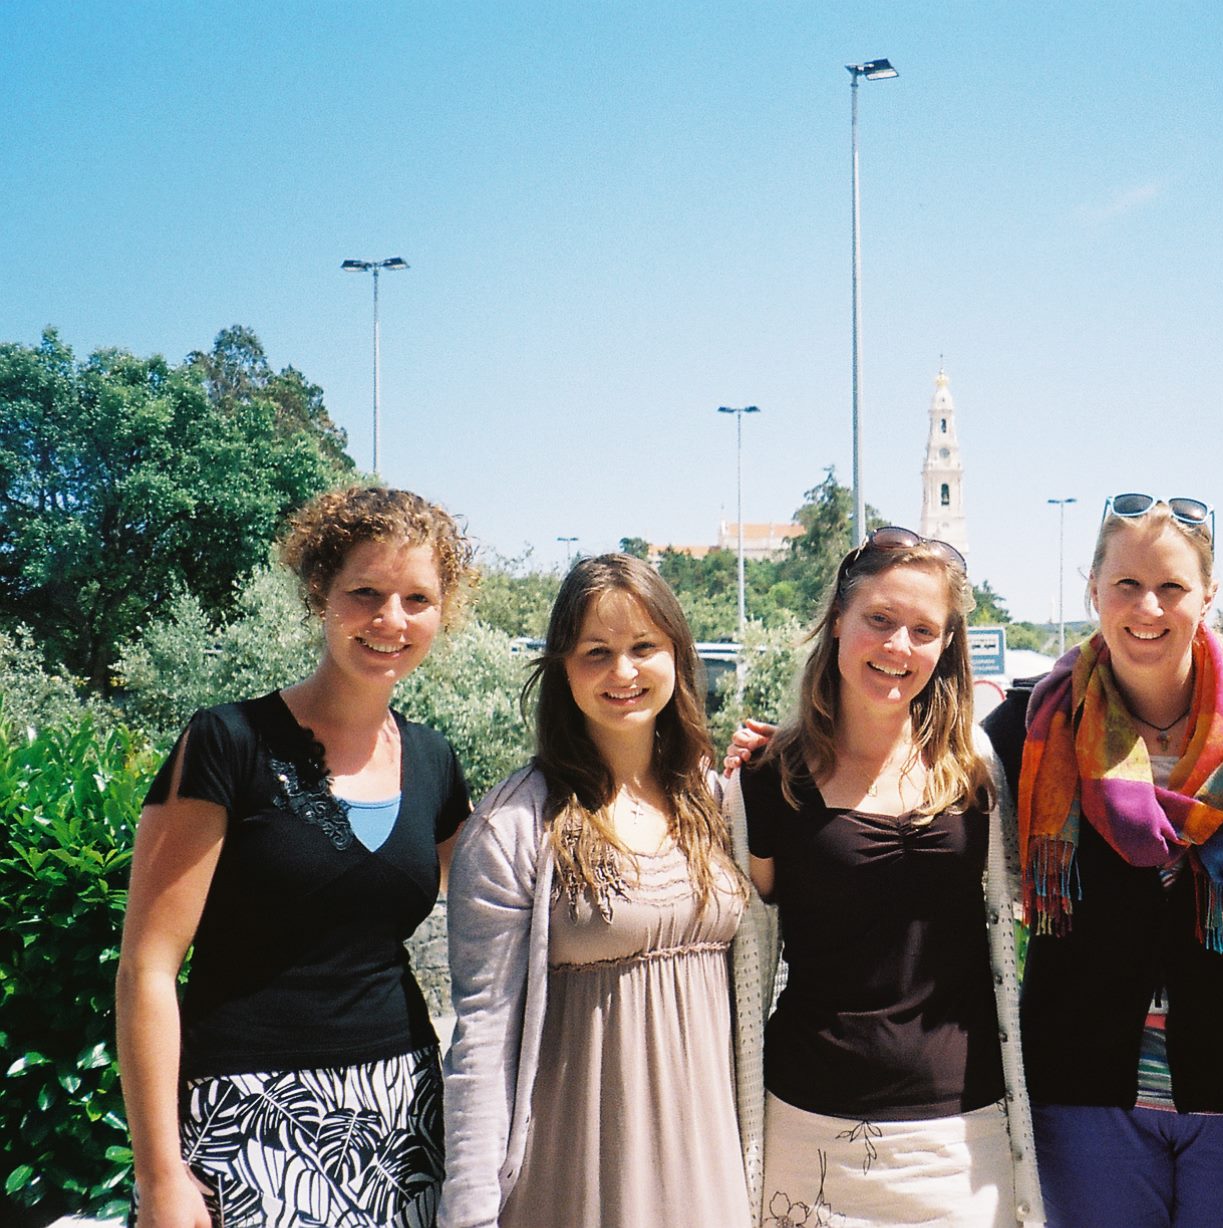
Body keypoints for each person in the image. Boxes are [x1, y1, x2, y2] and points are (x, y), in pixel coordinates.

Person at [116, 485, 476, 1228]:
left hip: (401, 1110)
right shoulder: (226, 743)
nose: (390, 621)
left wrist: (736, 782)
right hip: (246, 1112)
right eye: (366, 593)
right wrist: (160, 1176)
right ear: (320, 594)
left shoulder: (435, 761)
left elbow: (518, 882)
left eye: (416, 599)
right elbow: (147, 968)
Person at [981, 493, 1223, 1228]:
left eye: (1172, 587)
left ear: (1209, 595)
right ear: (1092, 589)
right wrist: (788, 753)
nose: (1149, 607)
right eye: (1127, 585)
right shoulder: (1032, 721)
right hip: (1081, 1083)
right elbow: (914, 776)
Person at [730, 526, 1042, 1227]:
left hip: (962, 1136)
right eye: (879, 620)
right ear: (838, 620)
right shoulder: (765, 779)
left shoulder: (979, 772)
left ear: (946, 645)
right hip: (807, 1128)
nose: (899, 647)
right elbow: (740, 943)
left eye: (923, 630)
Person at [439, 553, 759, 1228]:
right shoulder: (514, 826)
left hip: (712, 1163)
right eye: (597, 652)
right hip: (581, 1173)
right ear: (562, 667)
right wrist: (468, 1213)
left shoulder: (715, 799)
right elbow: (483, 1038)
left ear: (677, 655)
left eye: (644, 647)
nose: (623, 672)